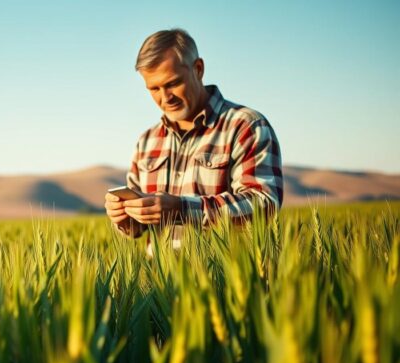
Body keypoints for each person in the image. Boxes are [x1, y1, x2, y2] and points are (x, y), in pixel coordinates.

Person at [105, 28, 283, 245]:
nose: (165, 97)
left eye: (172, 83)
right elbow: (138, 229)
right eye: (154, 88)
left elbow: (264, 205)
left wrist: (183, 208)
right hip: (160, 277)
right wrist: (124, 217)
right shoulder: (146, 141)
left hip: (226, 276)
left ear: (198, 69)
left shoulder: (246, 126)